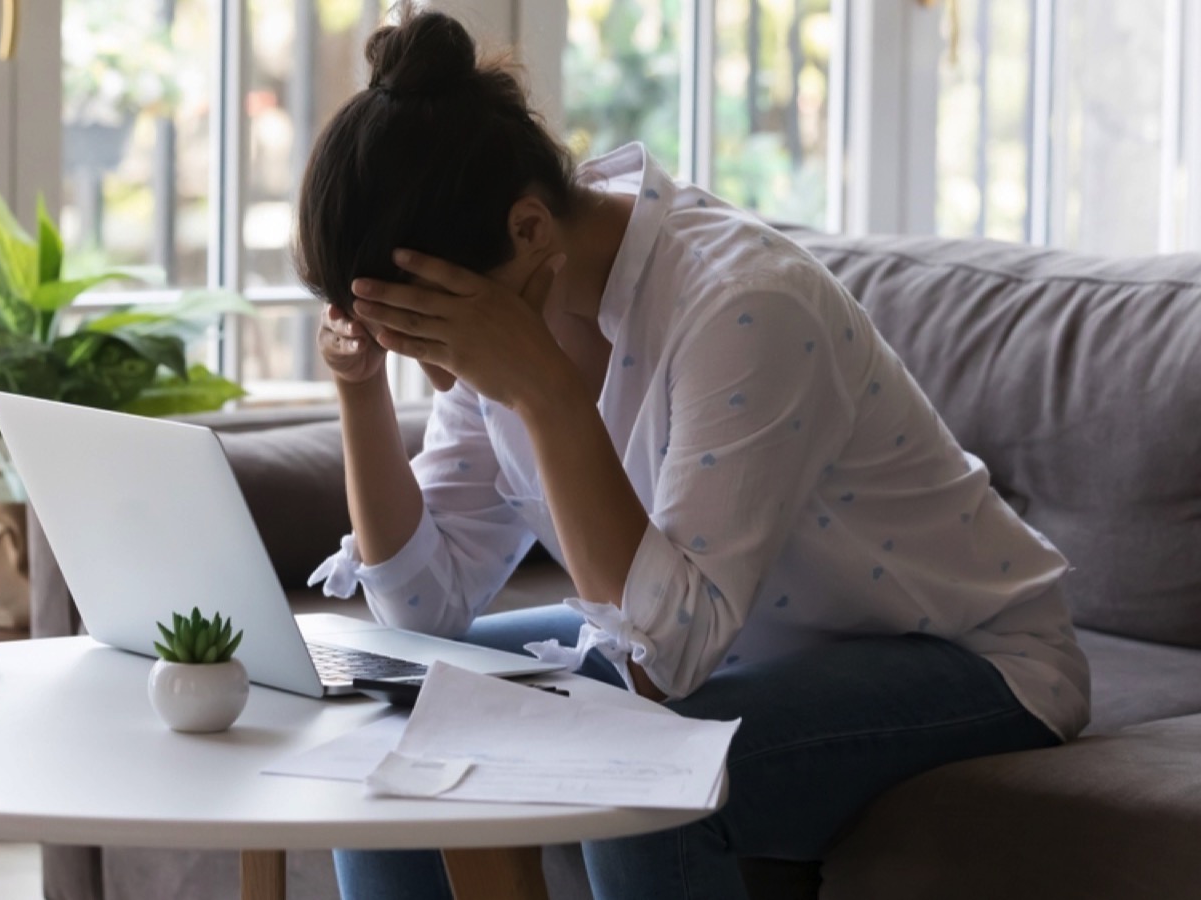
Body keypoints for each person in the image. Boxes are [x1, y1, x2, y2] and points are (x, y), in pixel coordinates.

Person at [297, 5, 1089, 899]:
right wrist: (361, 391)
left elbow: (661, 660)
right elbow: (422, 615)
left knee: (630, 759)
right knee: (388, 718)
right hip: (742, 641)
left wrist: (550, 394)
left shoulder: (743, 305)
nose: (435, 368)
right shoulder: (500, 304)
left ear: (527, 231)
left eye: (426, 331)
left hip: (968, 658)